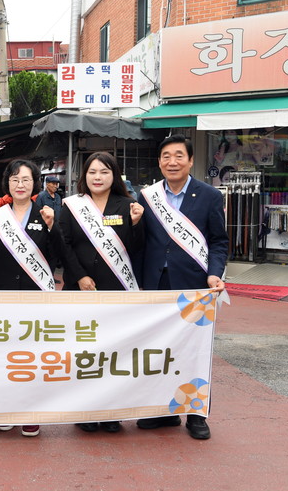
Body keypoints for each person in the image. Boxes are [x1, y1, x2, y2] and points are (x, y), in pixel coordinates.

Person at [136, 135, 228, 441]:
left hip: (193, 284)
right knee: (159, 349)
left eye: (178, 156)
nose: (172, 162)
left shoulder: (209, 196)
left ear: (190, 160)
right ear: (159, 161)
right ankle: (165, 411)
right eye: (166, 156)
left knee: (194, 350)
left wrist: (214, 274)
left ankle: (196, 415)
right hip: (155, 284)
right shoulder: (147, 197)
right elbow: (140, 241)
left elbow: (218, 241)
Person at [52, 151, 144, 435]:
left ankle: (111, 410)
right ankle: (85, 409)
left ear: (114, 175)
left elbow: (137, 248)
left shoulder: (128, 205)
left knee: (113, 351)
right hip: (81, 287)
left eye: (104, 172)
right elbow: (64, 245)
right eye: (92, 172)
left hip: (116, 288)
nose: (98, 177)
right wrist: (80, 276)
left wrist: (137, 224)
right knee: (83, 351)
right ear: (85, 176)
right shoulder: (73, 205)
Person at [0, 159, 57, 437]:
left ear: (35, 183)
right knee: (4, 355)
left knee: (32, 355)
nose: (20, 185)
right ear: (8, 183)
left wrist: (52, 228)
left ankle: (31, 412)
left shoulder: (46, 214)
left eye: (26, 179)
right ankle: (5, 409)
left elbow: (56, 257)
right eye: (15, 179)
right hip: (3, 294)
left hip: (35, 295)